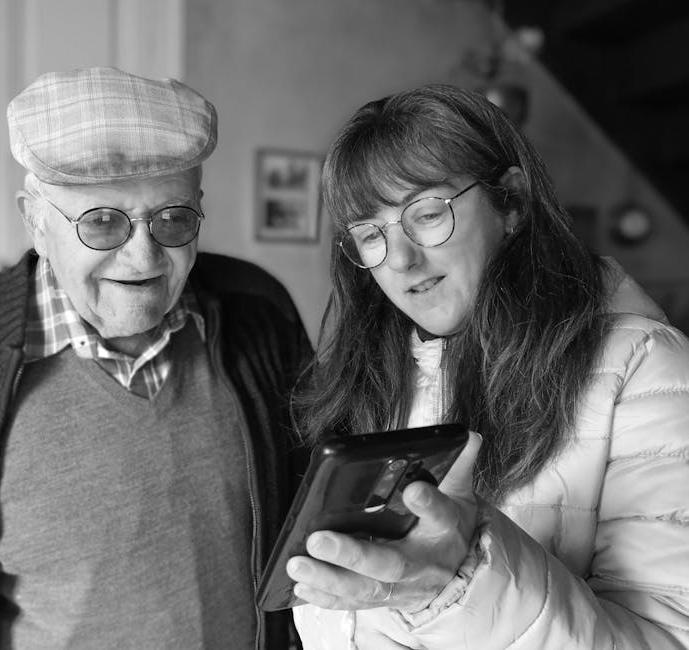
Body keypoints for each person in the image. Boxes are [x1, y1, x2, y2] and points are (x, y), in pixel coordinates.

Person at [0, 66, 312, 650]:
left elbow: (311, 496)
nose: (142, 257)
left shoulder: (260, 310)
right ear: (35, 220)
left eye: (173, 218)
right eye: (102, 221)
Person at [288, 84, 689, 649]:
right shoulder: (375, 381)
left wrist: (460, 582)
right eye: (370, 233)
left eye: (426, 214)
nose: (400, 259)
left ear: (513, 203)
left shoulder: (646, 372)